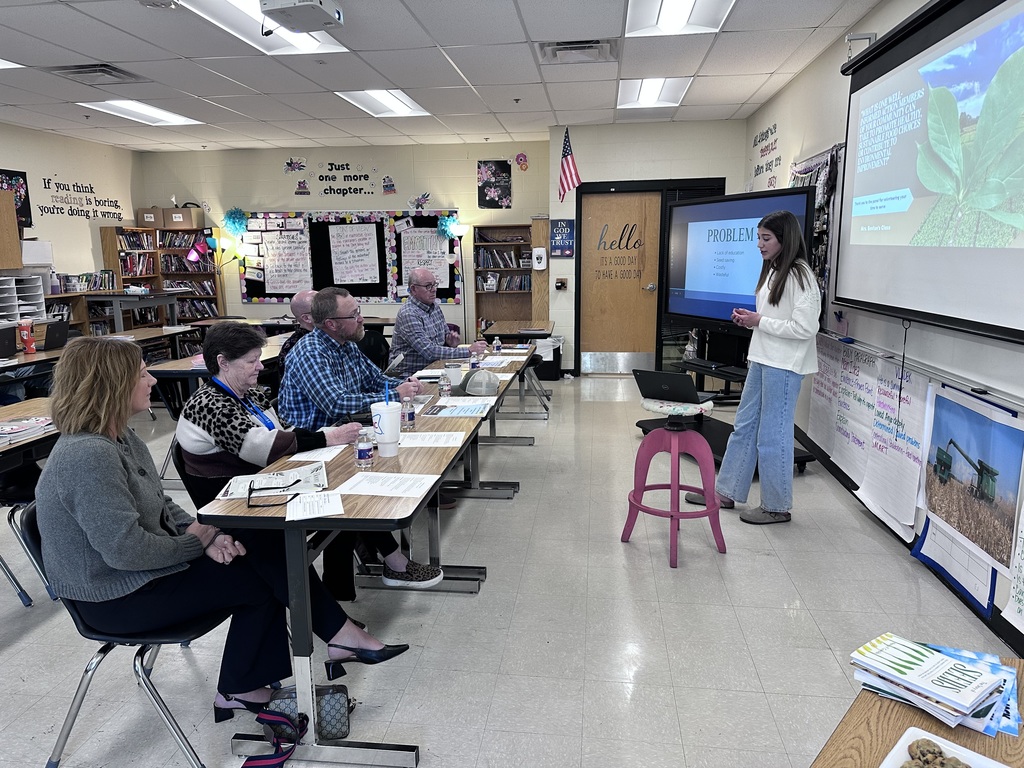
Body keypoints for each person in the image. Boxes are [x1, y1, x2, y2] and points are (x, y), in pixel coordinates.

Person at [35, 336, 408, 721]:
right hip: (114, 597)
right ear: (112, 385)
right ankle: (257, 677)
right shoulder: (88, 454)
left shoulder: (120, 437)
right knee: (261, 574)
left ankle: (256, 677)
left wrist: (210, 536)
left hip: (140, 574)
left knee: (258, 556)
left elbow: (160, 505)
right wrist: (195, 542)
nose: (153, 381)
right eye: (143, 373)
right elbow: (125, 551)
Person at [179, 321, 443, 591]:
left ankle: (363, 575)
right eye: (251, 361)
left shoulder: (247, 394)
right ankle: (369, 579)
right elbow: (264, 448)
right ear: (223, 362)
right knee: (342, 493)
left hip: (264, 480)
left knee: (346, 486)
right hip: (239, 500)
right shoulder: (209, 403)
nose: (260, 367)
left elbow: (282, 430)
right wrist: (328, 437)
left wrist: (329, 433)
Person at [687, 210, 820, 525]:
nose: (759, 244)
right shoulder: (774, 270)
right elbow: (777, 317)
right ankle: (726, 491)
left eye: (766, 238)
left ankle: (776, 506)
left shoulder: (800, 274)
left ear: (783, 239)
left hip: (784, 366)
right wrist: (753, 320)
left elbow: (805, 327)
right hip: (763, 358)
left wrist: (760, 320)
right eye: (758, 237)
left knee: (773, 434)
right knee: (744, 425)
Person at [279, 287, 422, 430]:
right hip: (314, 439)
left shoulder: (346, 343)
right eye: (353, 315)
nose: (361, 319)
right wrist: (395, 395)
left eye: (358, 311)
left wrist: (407, 384)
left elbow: (374, 380)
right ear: (331, 324)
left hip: (342, 429)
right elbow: (337, 404)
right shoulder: (310, 353)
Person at [388, 268, 487, 378]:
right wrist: (468, 351)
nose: (434, 289)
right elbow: (429, 351)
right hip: (410, 375)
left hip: (435, 367)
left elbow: (444, 338)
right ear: (414, 289)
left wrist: (450, 342)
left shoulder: (434, 307)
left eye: (435, 284)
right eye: (428, 286)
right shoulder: (408, 314)